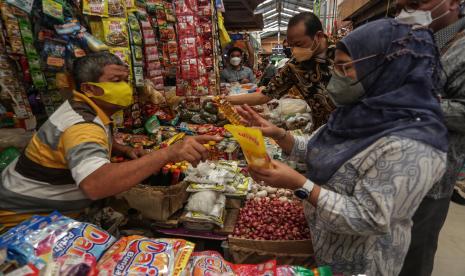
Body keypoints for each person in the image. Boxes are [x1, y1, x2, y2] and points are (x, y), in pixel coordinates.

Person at [238, 18, 448, 275]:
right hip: (327, 250)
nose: (335, 76)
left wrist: (300, 185)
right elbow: (316, 147)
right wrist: (280, 134)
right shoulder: (359, 114)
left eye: (344, 67)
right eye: (336, 66)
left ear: (385, 69)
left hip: (363, 262)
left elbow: (369, 217)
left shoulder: (412, 144)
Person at [0, 52, 220, 227]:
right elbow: (96, 185)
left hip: (42, 212)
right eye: (116, 81)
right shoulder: (82, 125)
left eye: (125, 80)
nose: (125, 87)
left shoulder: (86, 109)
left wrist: (121, 149)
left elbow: (82, 145)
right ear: (88, 88)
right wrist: (168, 153)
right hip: (26, 221)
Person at [394, 0, 465, 275]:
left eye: (418, 2)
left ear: (450, 3)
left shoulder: (459, 47)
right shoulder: (419, 40)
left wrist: (418, 103)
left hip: (429, 178)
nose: (409, 11)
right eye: (406, 5)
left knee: (414, 255)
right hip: (392, 168)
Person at [226, 12, 335, 132]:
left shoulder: (344, 54)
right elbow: (265, 95)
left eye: (299, 44)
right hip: (322, 131)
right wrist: (226, 100)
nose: (294, 51)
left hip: (355, 128)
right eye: (291, 46)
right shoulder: (294, 66)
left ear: (318, 36)